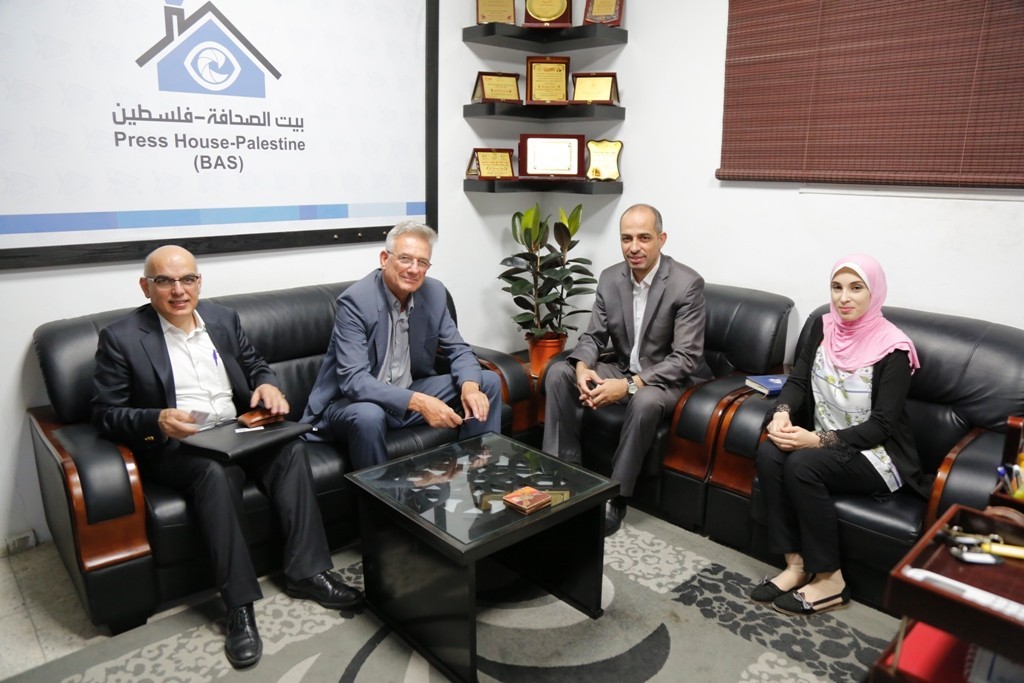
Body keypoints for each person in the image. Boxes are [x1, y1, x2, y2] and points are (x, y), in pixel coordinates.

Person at [92, 245, 362, 669]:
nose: (179, 290)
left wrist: (267, 384)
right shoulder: (121, 337)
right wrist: (156, 419)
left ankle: (307, 572)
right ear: (146, 287)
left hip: (237, 430)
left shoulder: (222, 319)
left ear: (199, 282)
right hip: (180, 444)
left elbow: (255, 364)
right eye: (165, 281)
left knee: (291, 447)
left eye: (188, 279)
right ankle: (239, 605)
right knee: (215, 475)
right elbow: (105, 413)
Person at [751, 253, 929, 616]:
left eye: (856, 288)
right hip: (823, 442)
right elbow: (798, 382)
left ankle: (831, 580)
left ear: (874, 293)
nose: (844, 298)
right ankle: (797, 565)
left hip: (877, 455)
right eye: (837, 287)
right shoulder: (824, 327)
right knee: (771, 451)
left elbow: (882, 426)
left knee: (802, 464)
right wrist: (781, 413)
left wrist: (816, 440)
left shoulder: (894, 349)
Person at [543, 203, 710, 536]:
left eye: (644, 238)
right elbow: (593, 337)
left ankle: (616, 494)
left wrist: (631, 385)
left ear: (661, 239)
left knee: (644, 400)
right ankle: (565, 474)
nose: (634, 247)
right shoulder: (610, 278)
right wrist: (582, 367)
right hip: (622, 369)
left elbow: (686, 357)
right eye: (626, 238)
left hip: (669, 380)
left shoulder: (686, 283)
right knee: (559, 372)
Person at [302, 220, 502, 469]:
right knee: (368, 415)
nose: (414, 269)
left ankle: (478, 475)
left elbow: (459, 350)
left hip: (406, 389)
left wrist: (470, 387)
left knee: (487, 382)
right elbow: (354, 381)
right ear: (384, 258)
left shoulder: (434, 293)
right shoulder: (356, 302)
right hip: (354, 403)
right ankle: (379, 494)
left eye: (422, 262)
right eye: (405, 259)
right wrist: (420, 402)